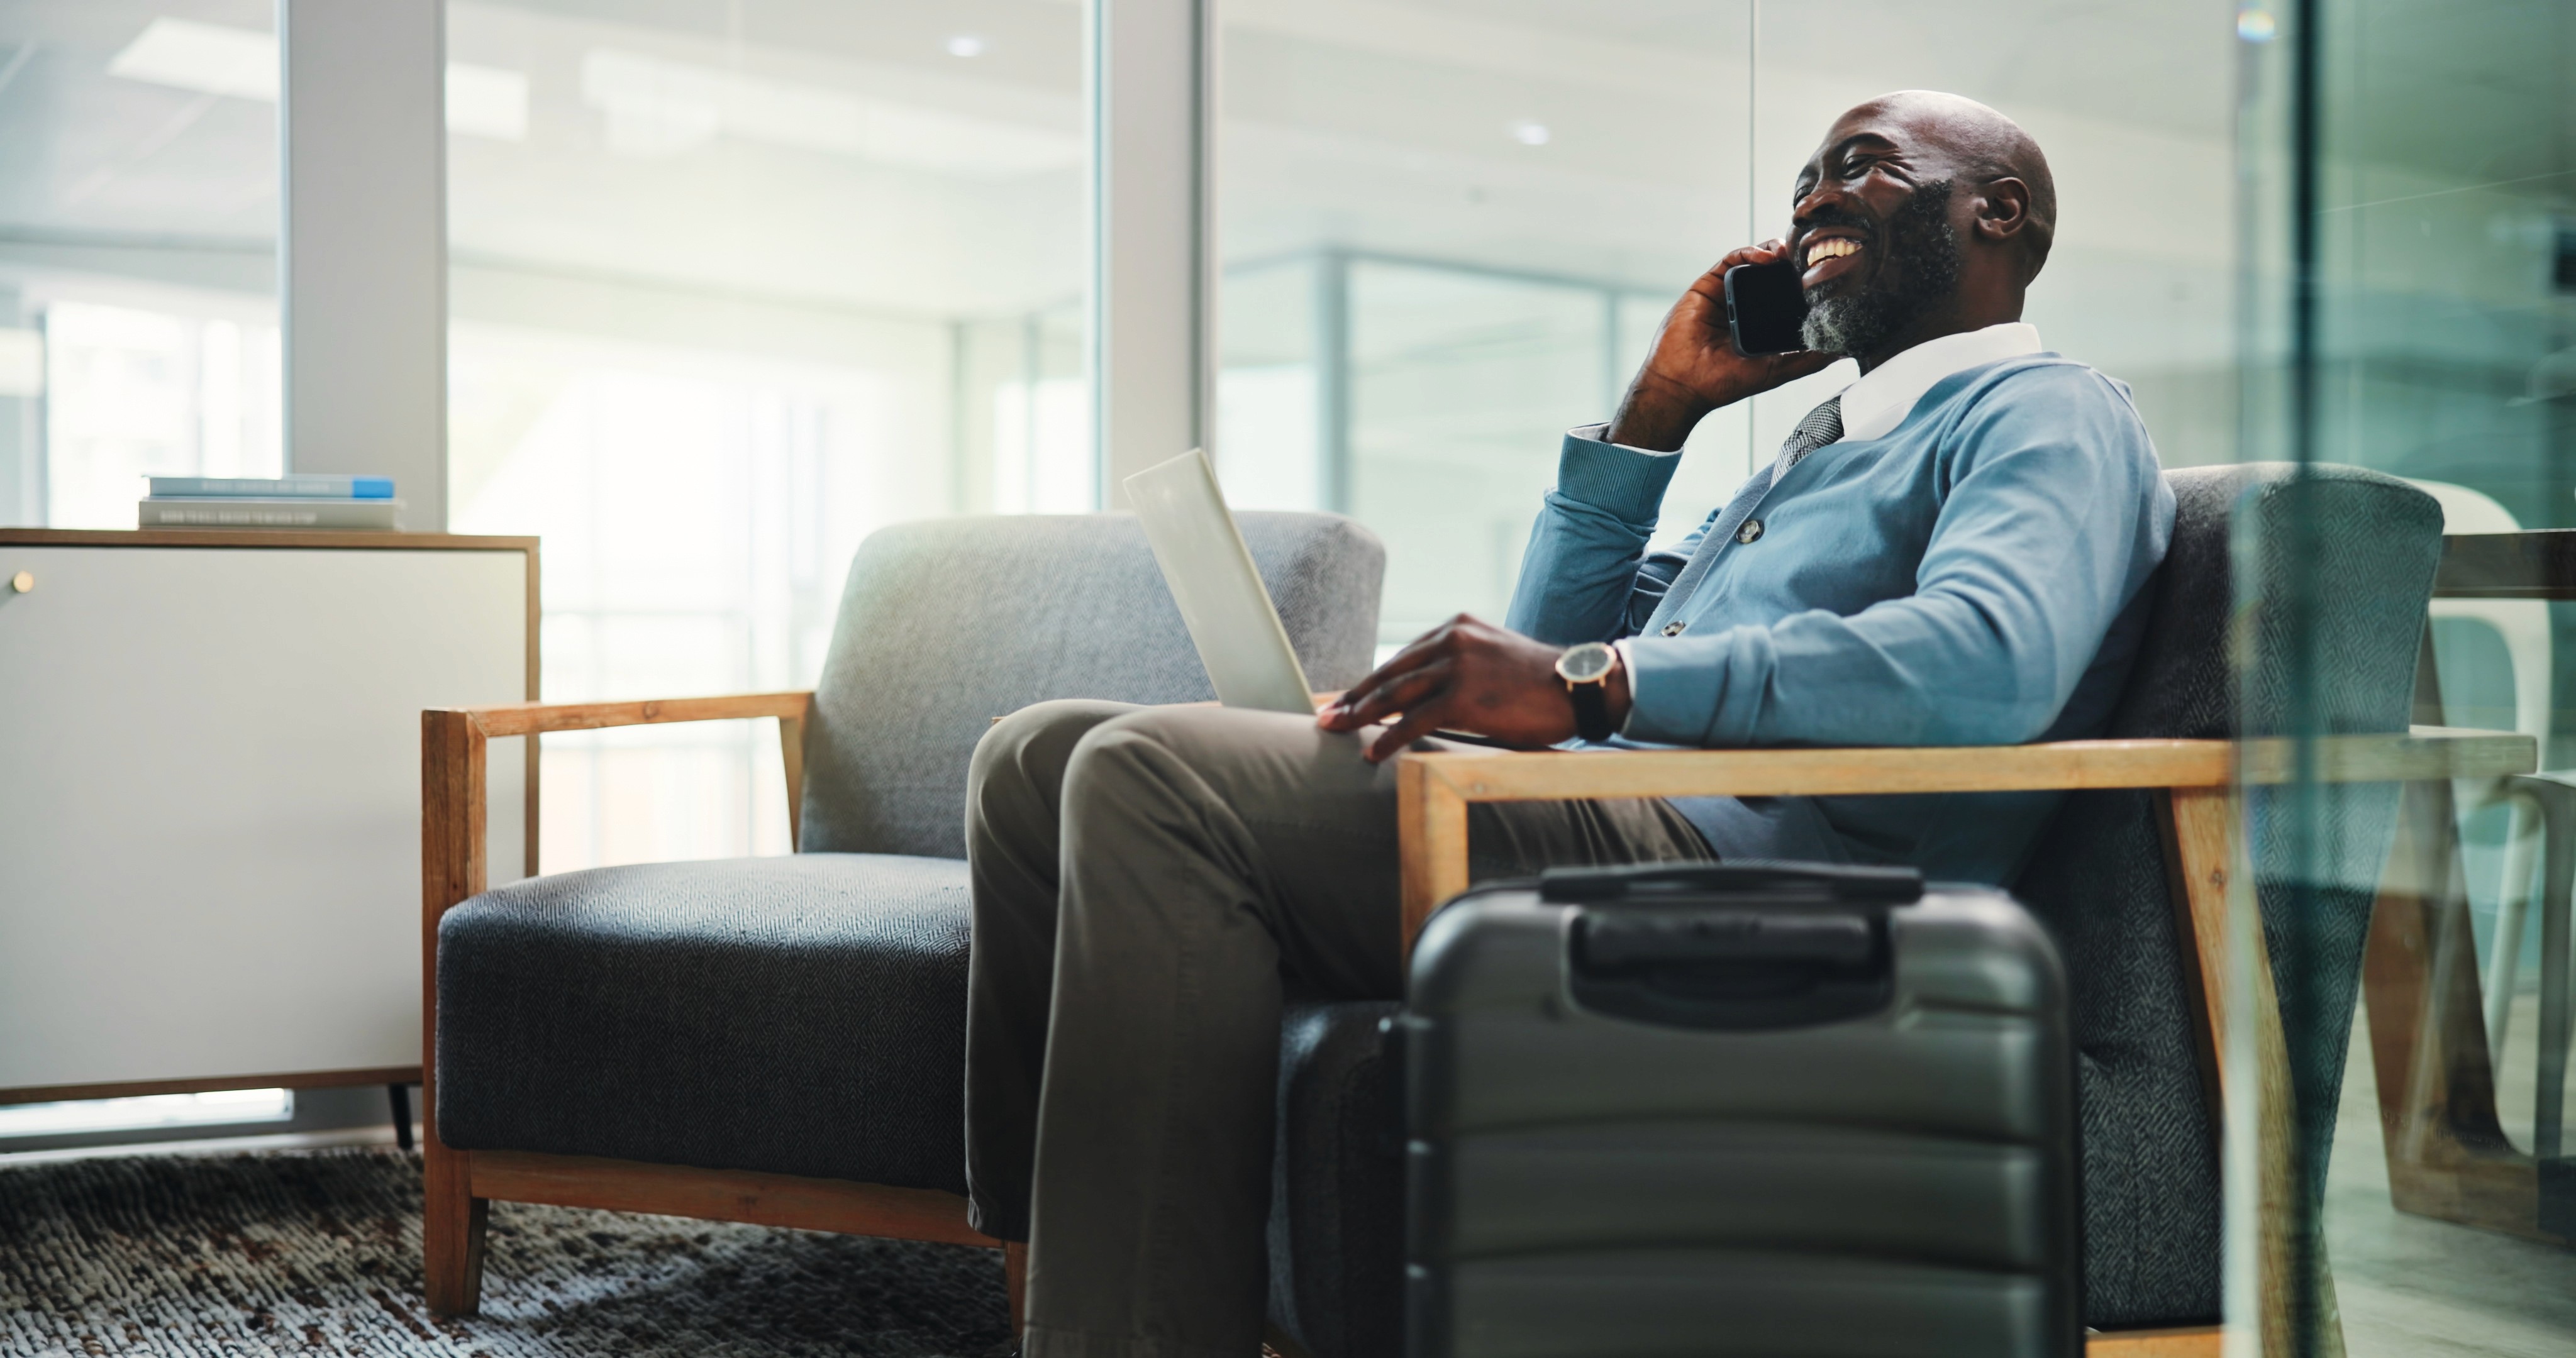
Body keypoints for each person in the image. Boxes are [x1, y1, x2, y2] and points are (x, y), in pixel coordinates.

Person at [963, 90, 2175, 1358]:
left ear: (1997, 212)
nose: (1811, 198)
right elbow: (1563, 633)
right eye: (1803, 180)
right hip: (1598, 813)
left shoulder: (2044, 412)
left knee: (1153, 772)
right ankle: (1030, 1269)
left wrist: (1600, 684)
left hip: (1776, 878)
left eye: (1861, 169)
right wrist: (1656, 415)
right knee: (1033, 753)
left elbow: (1989, 661)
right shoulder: (1809, 456)